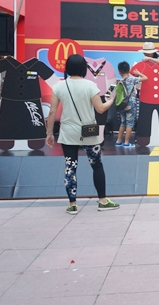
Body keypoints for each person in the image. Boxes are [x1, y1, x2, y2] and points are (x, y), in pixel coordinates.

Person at [46, 54, 119, 214]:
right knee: (97, 165)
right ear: (83, 68)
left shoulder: (59, 86)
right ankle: (102, 201)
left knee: (70, 167)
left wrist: (49, 133)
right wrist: (110, 100)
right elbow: (100, 109)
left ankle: (72, 204)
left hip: (68, 133)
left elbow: (52, 112)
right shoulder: (90, 86)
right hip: (89, 132)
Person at [115, 61, 147, 148]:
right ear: (129, 70)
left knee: (123, 123)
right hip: (130, 104)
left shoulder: (120, 82)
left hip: (122, 105)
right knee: (129, 124)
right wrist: (138, 73)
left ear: (119, 71)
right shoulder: (132, 79)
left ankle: (118, 141)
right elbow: (145, 78)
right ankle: (126, 142)